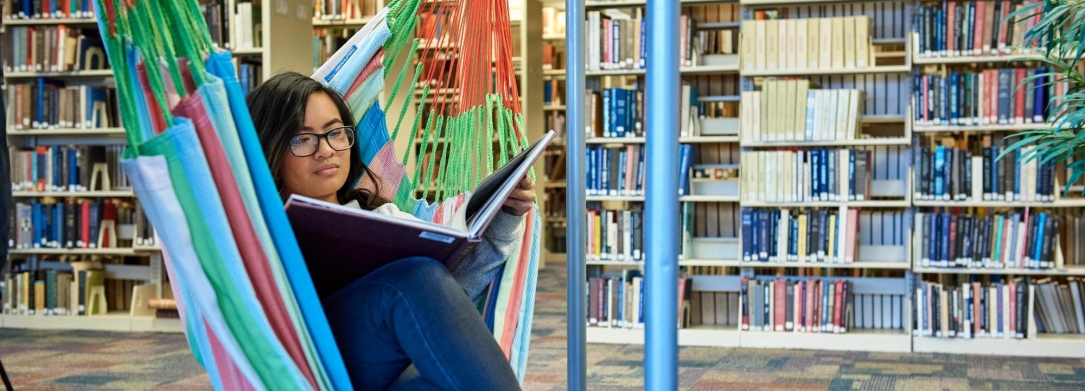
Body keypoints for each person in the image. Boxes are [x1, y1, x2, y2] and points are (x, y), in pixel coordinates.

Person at [247, 72, 531, 391]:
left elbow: (450, 298)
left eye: (335, 133)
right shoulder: (255, 233)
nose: (325, 150)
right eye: (302, 139)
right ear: (269, 149)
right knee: (416, 276)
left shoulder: (382, 215)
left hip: (377, 366)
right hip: (307, 364)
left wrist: (505, 215)